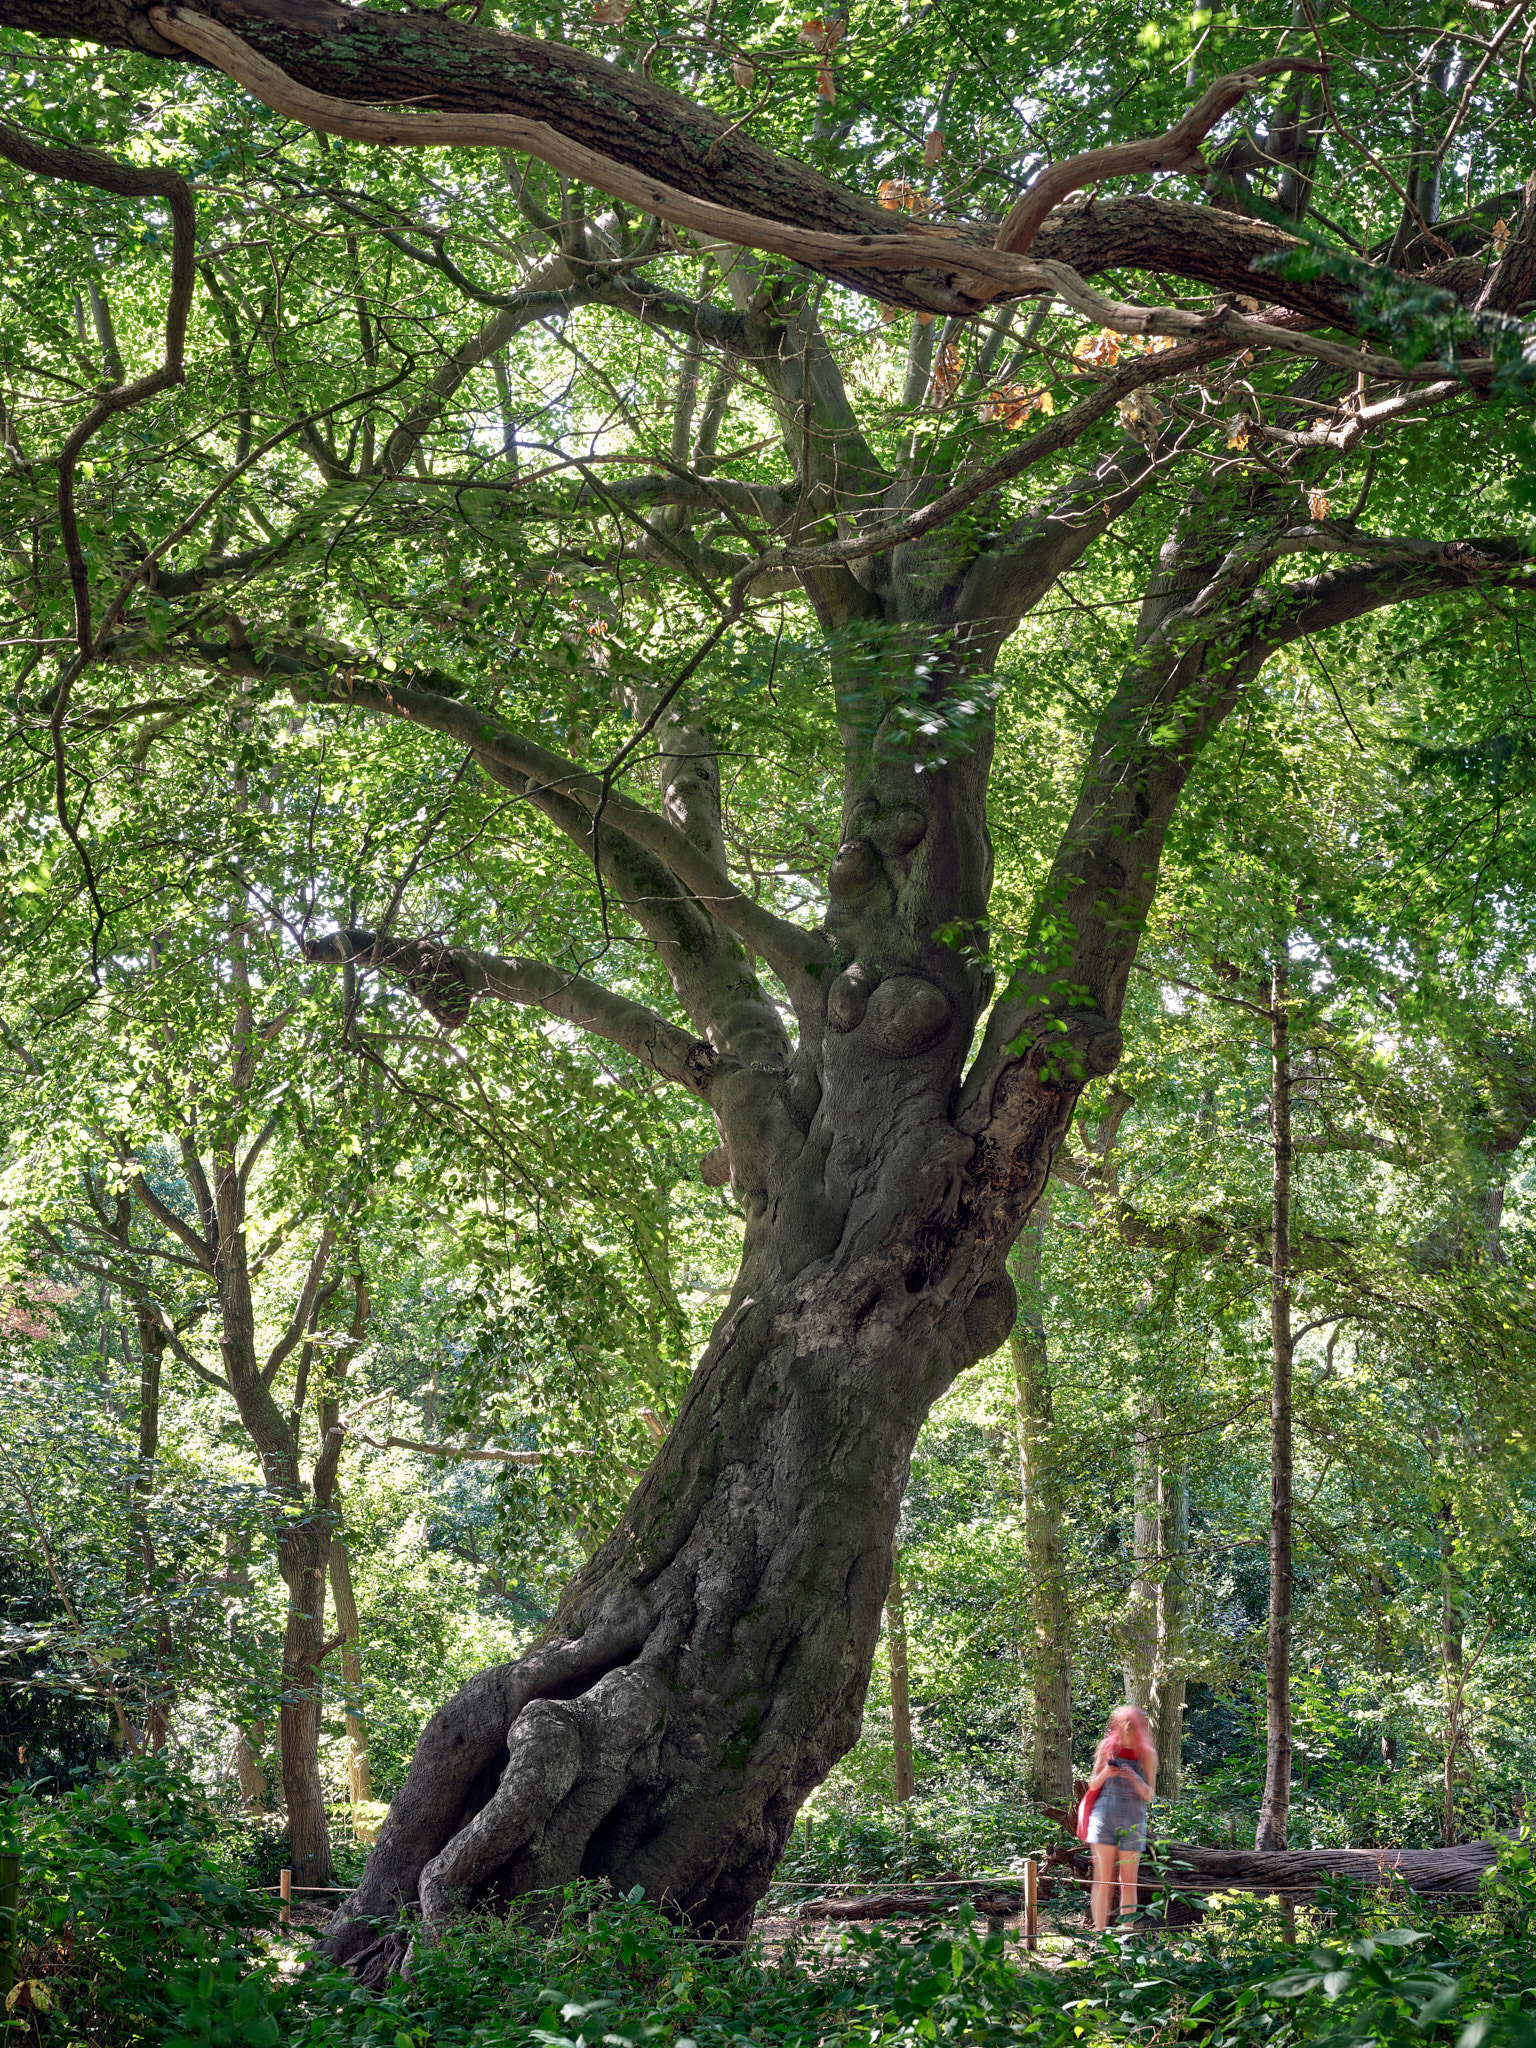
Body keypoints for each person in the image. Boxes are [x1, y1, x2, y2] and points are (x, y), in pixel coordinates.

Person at [1081, 1704, 1157, 1932]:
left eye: (1135, 1726)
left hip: (1132, 1820)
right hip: (1104, 1817)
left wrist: (1135, 1777)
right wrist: (1107, 1771)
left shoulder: (1147, 1754)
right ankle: (1099, 1933)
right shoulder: (1107, 1747)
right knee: (1103, 1880)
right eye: (1127, 1725)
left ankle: (1126, 1935)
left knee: (1128, 1882)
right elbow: (1093, 1783)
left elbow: (1150, 1795)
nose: (1130, 1730)